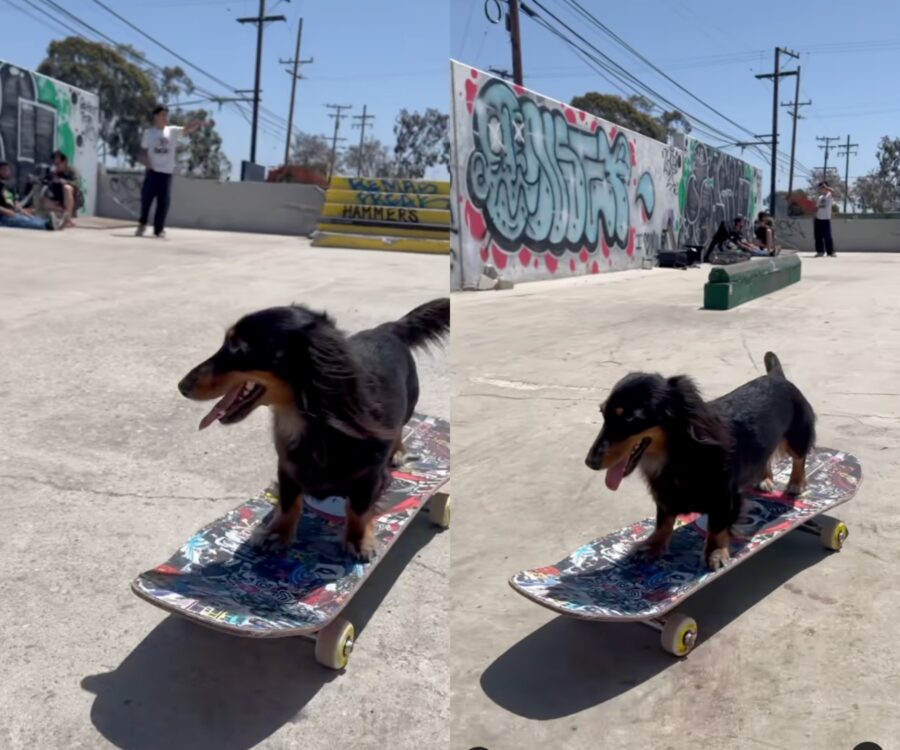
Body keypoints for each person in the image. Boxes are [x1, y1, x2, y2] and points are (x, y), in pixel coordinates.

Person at [136, 104, 211, 238]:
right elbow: (143, 151)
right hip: (152, 172)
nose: (165, 118)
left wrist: (198, 123)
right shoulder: (149, 133)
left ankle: (159, 230)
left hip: (166, 173)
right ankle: (142, 224)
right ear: (156, 116)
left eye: (167, 115)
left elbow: (187, 129)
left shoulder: (172, 131)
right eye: (163, 115)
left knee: (163, 202)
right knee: (146, 200)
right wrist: (146, 162)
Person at [0, 160, 61, 231]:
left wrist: (24, 212)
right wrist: (7, 212)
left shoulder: (8, 187)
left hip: (12, 214)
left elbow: (14, 203)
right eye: (3, 169)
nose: (7, 171)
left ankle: (54, 223)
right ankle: (47, 225)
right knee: (22, 221)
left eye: (7, 169)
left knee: (31, 218)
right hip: (3, 217)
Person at [43, 150, 82, 227]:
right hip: (59, 199)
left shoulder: (72, 171)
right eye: (55, 163)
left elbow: (77, 184)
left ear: (65, 162)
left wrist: (62, 181)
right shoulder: (54, 172)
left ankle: (68, 219)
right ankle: (62, 212)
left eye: (58, 163)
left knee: (67, 188)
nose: (56, 166)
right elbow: (45, 182)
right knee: (43, 199)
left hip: (74, 198)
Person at [814, 181, 836, 257]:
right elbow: (817, 208)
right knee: (818, 236)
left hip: (826, 218)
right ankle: (820, 251)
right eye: (821, 188)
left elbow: (833, 191)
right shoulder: (820, 197)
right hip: (818, 218)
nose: (822, 189)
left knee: (827, 236)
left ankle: (830, 252)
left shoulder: (829, 195)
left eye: (823, 187)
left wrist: (826, 187)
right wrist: (815, 216)